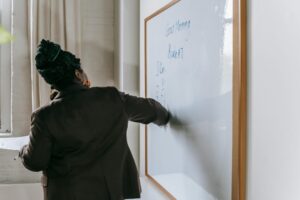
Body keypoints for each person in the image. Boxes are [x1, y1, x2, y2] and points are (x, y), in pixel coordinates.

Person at [19, 39, 170, 200]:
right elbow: (154, 111)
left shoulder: (44, 116)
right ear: (78, 74)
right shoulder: (112, 98)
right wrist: (166, 117)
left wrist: (23, 150)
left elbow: (35, 162)